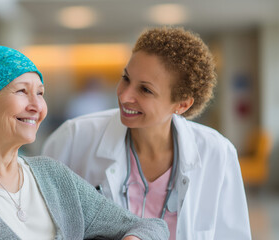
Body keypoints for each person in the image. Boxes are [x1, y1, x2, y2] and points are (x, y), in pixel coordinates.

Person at [0, 46, 169, 240]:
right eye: (22, 91)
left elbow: (151, 226)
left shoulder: (53, 175)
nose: (37, 107)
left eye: (40, 93)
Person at [42, 27, 251, 239]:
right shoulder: (75, 137)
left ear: (182, 104)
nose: (124, 96)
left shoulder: (216, 152)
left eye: (145, 90)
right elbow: (40, 223)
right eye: (126, 78)